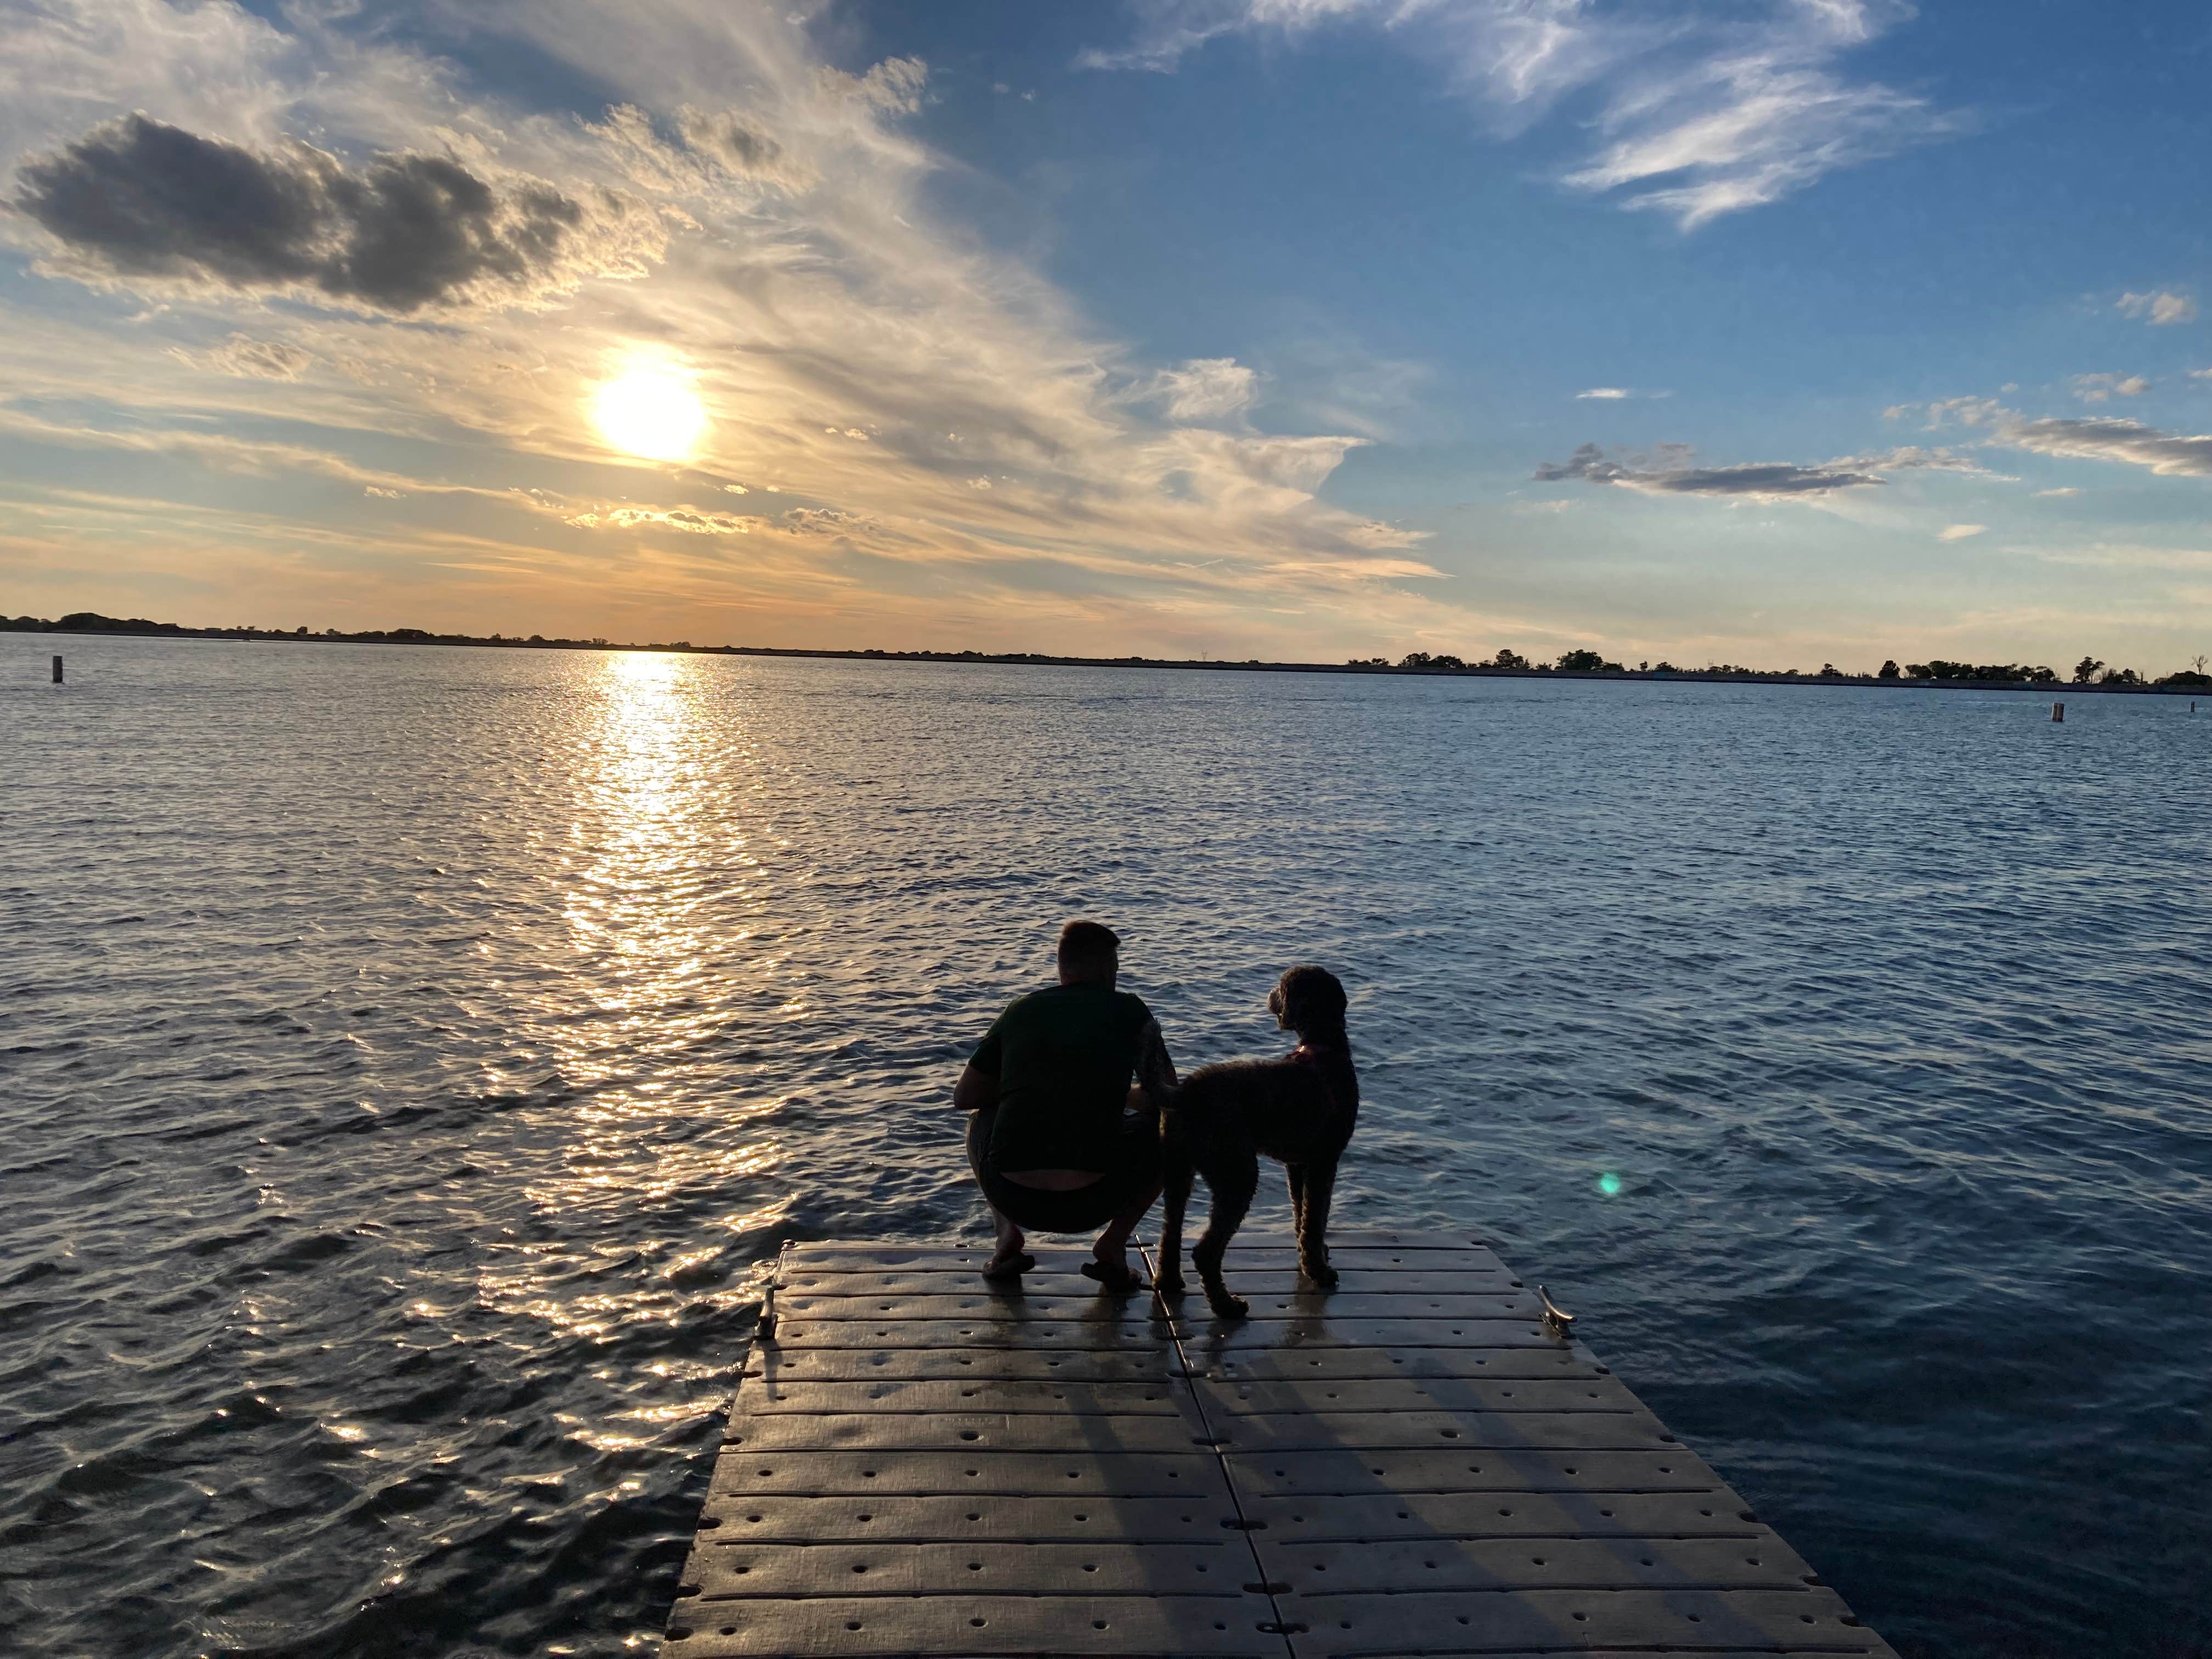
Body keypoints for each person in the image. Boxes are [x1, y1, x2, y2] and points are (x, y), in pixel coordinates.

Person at [954, 921, 1177, 1289]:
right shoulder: (1130, 1010)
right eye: (1116, 968)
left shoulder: (1020, 1010)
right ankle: (1113, 1245)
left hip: (1013, 1196)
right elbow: (1168, 1097)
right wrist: (1110, 1091)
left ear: (1062, 967)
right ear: (1107, 969)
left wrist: (1032, 1086)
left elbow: (964, 1098)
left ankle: (1007, 1235)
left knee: (981, 1119)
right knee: (1171, 1128)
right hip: (1096, 1200)